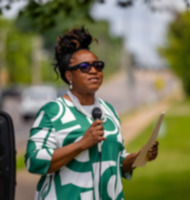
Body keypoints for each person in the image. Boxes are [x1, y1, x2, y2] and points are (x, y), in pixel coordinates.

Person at [25, 27, 159, 200]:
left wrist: (138, 157)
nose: (94, 70)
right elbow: (34, 161)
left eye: (98, 65)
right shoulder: (53, 111)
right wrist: (82, 144)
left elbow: (115, 163)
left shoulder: (109, 111)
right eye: (84, 67)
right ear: (69, 75)